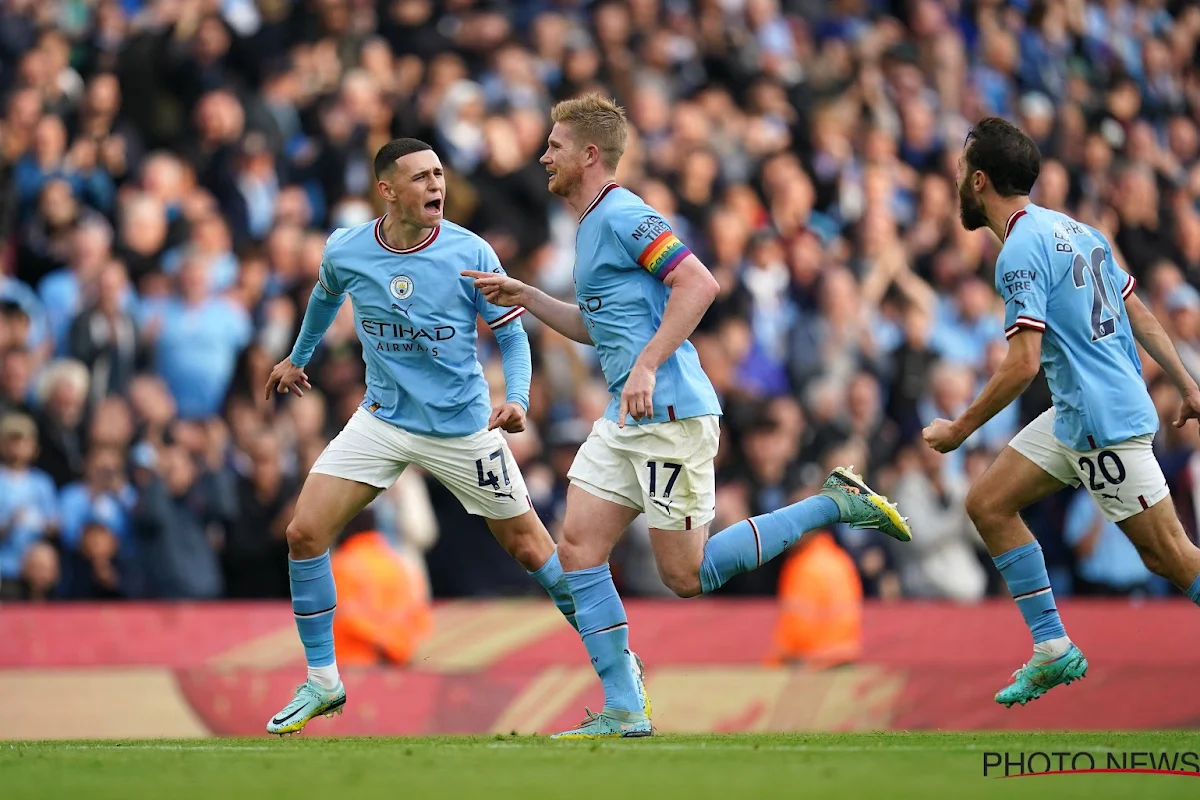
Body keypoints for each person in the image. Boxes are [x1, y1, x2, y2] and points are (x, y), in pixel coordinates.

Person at [466, 94, 911, 739]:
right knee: (579, 547)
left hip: (670, 411)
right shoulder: (588, 226)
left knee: (686, 575)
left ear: (590, 155)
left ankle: (834, 504)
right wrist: (531, 297)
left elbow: (699, 283)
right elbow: (596, 327)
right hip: (627, 416)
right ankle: (624, 708)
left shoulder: (625, 213)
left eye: (556, 146)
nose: (544, 155)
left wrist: (647, 364)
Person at [261, 138, 580, 735]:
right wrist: (296, 358)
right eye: (421, 177)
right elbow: (325, 296)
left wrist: (515, 398)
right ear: (387, 190)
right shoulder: (348, 248)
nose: (437, 185)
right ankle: (324, 680)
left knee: (534, 552)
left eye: (439, 174)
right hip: (382, 420)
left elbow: (511, 334)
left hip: (463, 430)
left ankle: (615, 667)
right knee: (304, 533)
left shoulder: (470, 250)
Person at [923, 117, 1200, 708]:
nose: (953, 183)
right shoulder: (1079, 230)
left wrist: (958, 429)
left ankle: (1052, 643)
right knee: (988, 503)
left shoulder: (1018, 251)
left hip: (1103, 424)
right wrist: (1186, 383)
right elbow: (1139, 313)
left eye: (958, 172)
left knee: (1170, 557)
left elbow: (1022, 364)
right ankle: (1052, 646)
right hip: (1079, 413)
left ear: (979, 181)